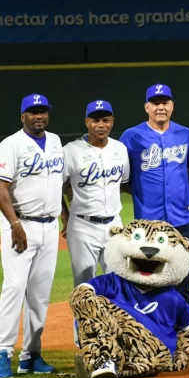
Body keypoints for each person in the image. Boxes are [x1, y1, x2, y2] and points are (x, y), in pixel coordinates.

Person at [0, 93, 64, 378]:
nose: (39, 116)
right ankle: (1, 352)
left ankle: (30, 355)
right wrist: (14, 224)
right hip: (21, 226)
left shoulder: (56, 142)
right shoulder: (10, 145)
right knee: (14, 287)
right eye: (33, 112)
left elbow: (59, 183)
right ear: (23, 116)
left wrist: (65, 214)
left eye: (43, 111)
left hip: (49, 226)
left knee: (40, 294)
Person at [119, 84, 189, 306]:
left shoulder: (184, 134)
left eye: (165, 102)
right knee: (149, 283)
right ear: (147, 107)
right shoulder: (132, 137)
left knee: (182, 282)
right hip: (147, 226)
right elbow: (123, 177)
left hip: (183, 221)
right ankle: (154, 336)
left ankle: (181, 335)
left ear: (172, 106)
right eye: (155, 103)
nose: (160, 107)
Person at [61, 99, 130, 349]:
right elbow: (57, 186)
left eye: (106, 120)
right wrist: (65, 216)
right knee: (83, 284)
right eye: (95, 119)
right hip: (82, 226)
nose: (100, 124)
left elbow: (123, 182)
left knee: (117, 282)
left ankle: (116, 337)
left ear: (112, 122)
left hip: (114, 224)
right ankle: (84, 341)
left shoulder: (120, 149)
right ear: (86, 122)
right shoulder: (70, 151)